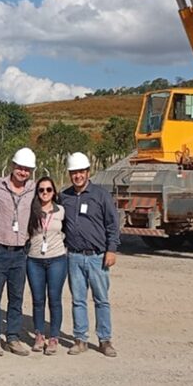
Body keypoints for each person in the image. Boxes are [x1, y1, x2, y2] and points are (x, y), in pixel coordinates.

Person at [59, 152, 120, 358]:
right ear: (70, 174)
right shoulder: (64, 196)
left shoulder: (101, 195)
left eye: (81, 172)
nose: (78, 176)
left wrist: (111, 249)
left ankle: (105, 340)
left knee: (101, 299)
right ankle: (80, 339)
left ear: (88, 172)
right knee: (78, 300)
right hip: (74, 257)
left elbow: (112, 224)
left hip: (97, 256)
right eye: (74, 172)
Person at [0, 147, 37, 356]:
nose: (23, 172)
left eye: (27, 170)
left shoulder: (33, 188)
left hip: (20, 252)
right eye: (20, 168)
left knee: (16, 297)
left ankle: (12, 337)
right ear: (13, 166)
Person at [25, 176, 67, 356]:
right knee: (38, 300)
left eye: (48, 190)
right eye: (41, 190)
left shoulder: (61, 211)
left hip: (57, 259)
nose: (45, 193)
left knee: (55, 299)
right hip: (34, 260)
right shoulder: (31, 210)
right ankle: (39, 335)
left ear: (54, 192)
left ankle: (54, 337)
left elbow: (67, 230)